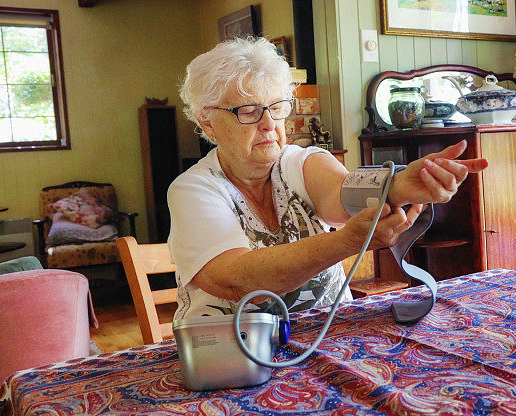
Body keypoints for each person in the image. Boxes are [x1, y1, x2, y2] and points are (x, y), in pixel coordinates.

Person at [169, 37, 488, 320]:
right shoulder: (192, 189)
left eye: (277, 107)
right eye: (249, 111)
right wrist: (347, 240)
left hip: (330, 345)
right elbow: (236, 278)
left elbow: (345, 194)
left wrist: (399, 186)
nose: (269, 123)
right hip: (229, 360)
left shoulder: (300, 161)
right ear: (207, 122)